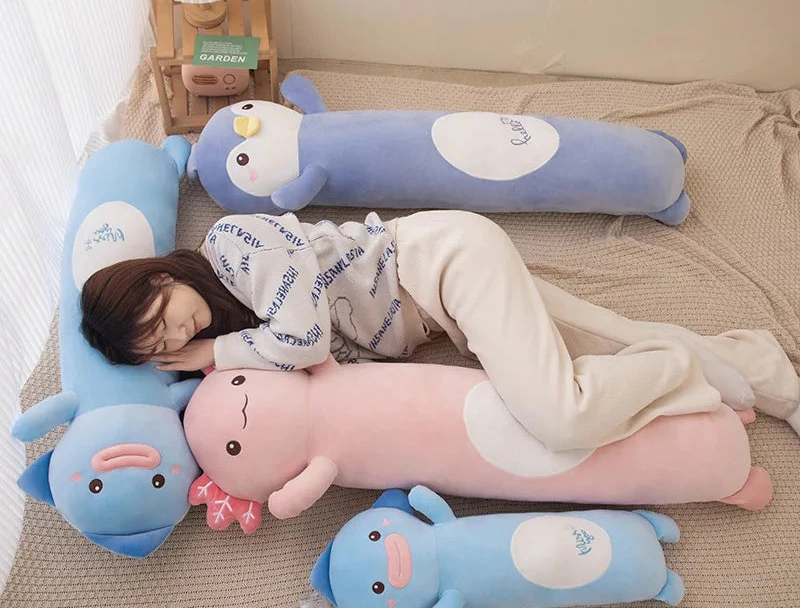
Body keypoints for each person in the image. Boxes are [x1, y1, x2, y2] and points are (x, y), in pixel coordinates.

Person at [80, 210, 800, 452]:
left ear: (159, 278)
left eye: (160, 320)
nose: (175, 340)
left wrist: (211, 351)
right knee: (611, 335)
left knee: (560, 418)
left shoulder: (233, 245)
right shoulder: (234, 323)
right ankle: (772, 376)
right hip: (438, 311)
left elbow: (302, 342)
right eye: (159, 348)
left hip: (439, 263)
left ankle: (678, 366)